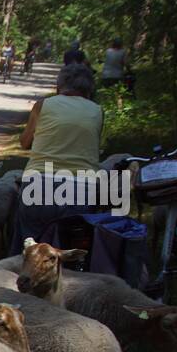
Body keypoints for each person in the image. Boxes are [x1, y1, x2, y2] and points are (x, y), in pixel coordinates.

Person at [13, 63, 104, 251]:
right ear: (89, 89)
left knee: (28, 246)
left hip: (39, 183)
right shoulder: (97, 111)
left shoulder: (43, 105)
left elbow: (24, 142)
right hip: (82, 187)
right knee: (71, 249)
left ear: (59, 85)